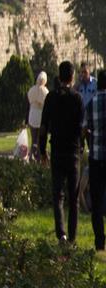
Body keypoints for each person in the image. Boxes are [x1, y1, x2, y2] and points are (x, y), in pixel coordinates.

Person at [45, 60, 86, 244]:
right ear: (72, 77)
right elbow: (81, 127)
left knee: (58, 195)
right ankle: (72, 237)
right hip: (74, 152)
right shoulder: (77, 98)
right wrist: (82, 145)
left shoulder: (51, 98)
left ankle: (61, 233)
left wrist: (40, 148)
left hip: (57, 151)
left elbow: (44, 125)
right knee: (73, 197)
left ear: (59, 76)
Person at [86, 66, 106, 251]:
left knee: (97, 200)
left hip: (96, 156)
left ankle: (100, 241)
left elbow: (86, 127)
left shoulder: (92, 102)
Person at [29, 70, 49, 163]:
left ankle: (32, 156)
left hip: (32, 114)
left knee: (33, 139)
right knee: (39, 139)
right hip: (40, 116)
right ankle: (39, 157)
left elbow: (29, 100)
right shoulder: (45, 91)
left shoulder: (32, 89)